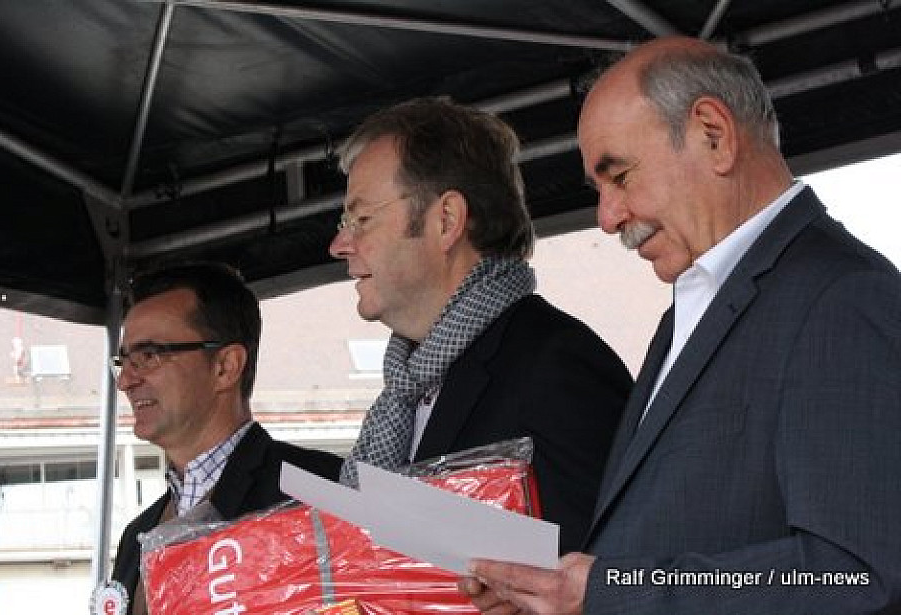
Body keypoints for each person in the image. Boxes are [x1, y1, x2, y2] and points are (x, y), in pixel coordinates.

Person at [461, 36, 901, 614]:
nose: (607, 217)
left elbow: (854, 574)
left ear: (713, 135)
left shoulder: (841, 296)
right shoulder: (692, 309)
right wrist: (562, 597)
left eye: (620, 176)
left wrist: (609, 591)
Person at [329, 97, 632, 553]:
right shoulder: (404, 393)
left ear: (446, 220)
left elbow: (609, 566)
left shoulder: (555, 365)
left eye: (361, 219)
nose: (339, 245)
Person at [109, 262, 342, 615]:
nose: (125, 381)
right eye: (124, 361)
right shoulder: (137, 536)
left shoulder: (324, 492)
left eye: (148, 356)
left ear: (226, 366)